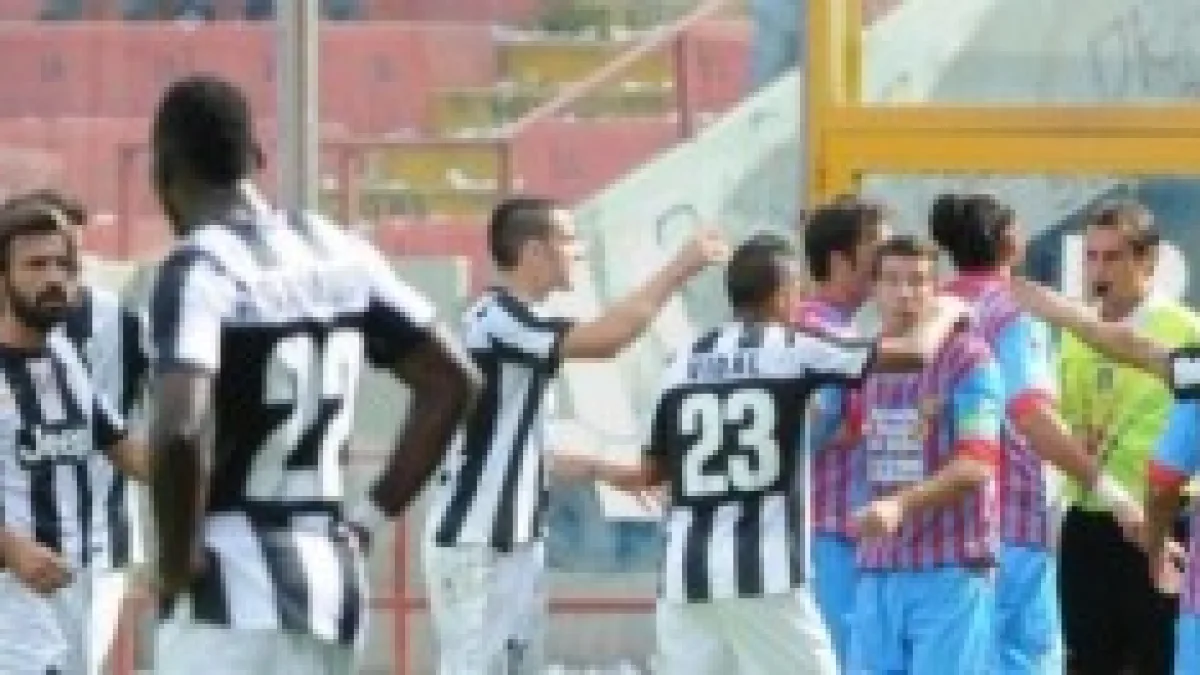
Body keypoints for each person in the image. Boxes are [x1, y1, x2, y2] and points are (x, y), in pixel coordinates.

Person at [144, 74, 480, 675]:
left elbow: (179, 431)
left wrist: (175, 563)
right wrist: (369, 520)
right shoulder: (342, 251)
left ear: (163, 173)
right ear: (258, 157)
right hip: (331, 588)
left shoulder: (200, 266)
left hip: (228, 595)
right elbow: (454, 381)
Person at [567, 233, 969, 675]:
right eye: (797, 291)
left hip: (686, 575)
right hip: (765, 574)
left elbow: (650, 471)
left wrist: (590, 467)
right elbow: (913, 353)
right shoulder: (792, 348)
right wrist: (947, 310)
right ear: (782, 294)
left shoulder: (681, 361)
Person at [421, 196, 726, 674]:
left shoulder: (519, 324)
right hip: (476, 542)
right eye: (567, 239)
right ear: (533, 251)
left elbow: (529, 447)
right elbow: (607, 339)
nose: (579, 250)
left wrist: (607, 472)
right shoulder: (498, 317)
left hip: (517, 545)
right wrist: (679, 269)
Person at [929, 193, 1142, 675]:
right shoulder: (1010, 312)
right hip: (1007, 524)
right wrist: (1109, 490)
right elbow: (1030, 417)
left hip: (936, 534)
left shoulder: (931, 309)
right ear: (1010, 242)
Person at [1014, 201, 1200, 675]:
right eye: (1091, 257)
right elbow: (1062, 414)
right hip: (1092, 518)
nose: (1099, 271)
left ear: (1148, 261)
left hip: (1163, 520)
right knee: (1086, 660)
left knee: (1159, 657)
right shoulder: (1074, 334)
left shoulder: (1184, 330)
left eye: (1112, 257)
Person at [1, 189, 151, 675]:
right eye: (36, 265)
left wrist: (215, 480)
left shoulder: (66, 362)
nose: (53, 278)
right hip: (11, 597)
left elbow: (125, 450)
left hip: (73, 591)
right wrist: (11, 548)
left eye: (63, 265)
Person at [848, 235, 1006, 675]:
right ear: (874, 289)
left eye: (917, 281)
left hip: (949, 566)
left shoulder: (969, 358)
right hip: (878, 565)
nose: (905, 293)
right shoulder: (863, 360)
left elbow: (977, 464)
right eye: (892, 281)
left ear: (936, 289)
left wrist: (900, 504)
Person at [792, 197, 889, 666]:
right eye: (877, 250)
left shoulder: (833, 329)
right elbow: (800, 434)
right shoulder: (821, 335)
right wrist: (857, 431)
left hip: (836, 532)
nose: (886, 263)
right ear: (839, 260)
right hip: (824, 534)